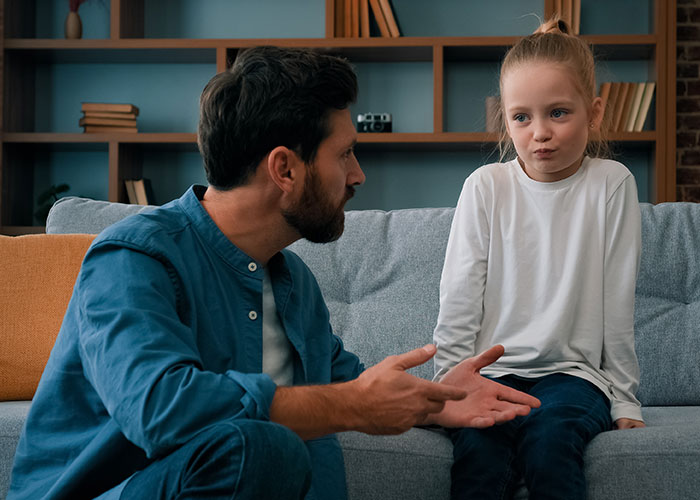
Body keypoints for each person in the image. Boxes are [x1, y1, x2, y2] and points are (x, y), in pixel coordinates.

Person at [8, 46, 540, 500]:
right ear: (284, 168)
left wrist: (438, 401)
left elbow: (349, 385)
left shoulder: (293, 283)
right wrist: (352, 404)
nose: (358, 176)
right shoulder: (134, 257)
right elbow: (159, 410)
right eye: (346, 154)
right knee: (259, 446)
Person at [432, 18, 645, 500]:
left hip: (573, 377)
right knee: (478, 459)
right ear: (504, 120)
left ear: (594, 112)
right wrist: (451, 386)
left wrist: (625, 399)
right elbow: (460, 296)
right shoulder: (485, 187)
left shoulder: (611, 184)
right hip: (492, 375)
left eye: (558, 113)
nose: (540, 133)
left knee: (551, 445)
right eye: (522, 117)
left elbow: (618, 302)